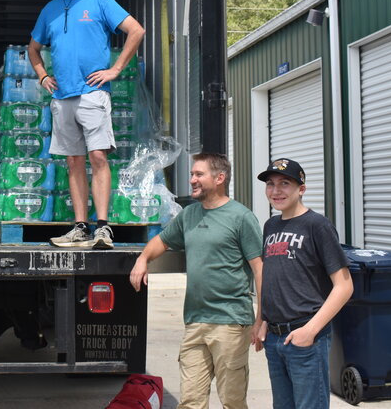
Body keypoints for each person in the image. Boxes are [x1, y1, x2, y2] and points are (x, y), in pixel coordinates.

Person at [28, 0, 145, 249]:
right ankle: (80, 227)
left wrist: (116, 69)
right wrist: (42, 76)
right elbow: (33, 48)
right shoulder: (49, 10)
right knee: (74, 162)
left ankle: (103, 228)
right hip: (62, 96)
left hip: (93, 93)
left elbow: (136, 30)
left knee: (98, 156)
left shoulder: (99, 0)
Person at [130, 153, 263, 409]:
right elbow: (162, 241)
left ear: (220, 178)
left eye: (199, 174)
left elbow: (260, 269)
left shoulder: (241, 217)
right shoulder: (189, 215)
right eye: (192, 174)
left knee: (233, 401)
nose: (192, 179)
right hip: (194, 320)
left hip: (231, 322)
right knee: (191, 401)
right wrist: (143, 259)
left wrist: (261, 318)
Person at [253, 158, 352, 409]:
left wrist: (310, 331)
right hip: (274, 339)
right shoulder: (271, 225)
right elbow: (274, 277)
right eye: (271, 184)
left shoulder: (317, 225)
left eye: (285, 184)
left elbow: (344, 286)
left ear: (302, 189)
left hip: (306, 338)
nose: (276, 191)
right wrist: (263, 320)